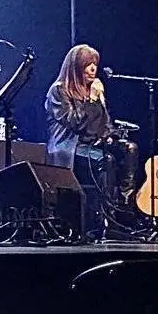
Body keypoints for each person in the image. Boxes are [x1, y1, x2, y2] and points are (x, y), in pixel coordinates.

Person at [45, 44, 138, 204]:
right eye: (88, 65)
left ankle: (124, 203)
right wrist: (91, 99)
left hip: (92, 144)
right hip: (70, 147)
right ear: (76, 68)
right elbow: (75, 123)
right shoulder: (59, 91)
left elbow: (105, 122)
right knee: (106, 160)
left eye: (95, 64)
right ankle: (105, 211)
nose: (93, 69)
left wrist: (110, 136)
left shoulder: (92, 90)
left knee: (130, 149)